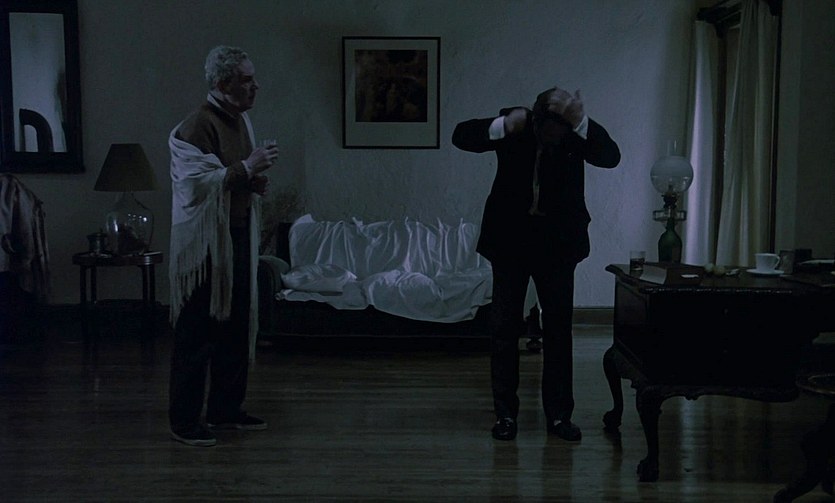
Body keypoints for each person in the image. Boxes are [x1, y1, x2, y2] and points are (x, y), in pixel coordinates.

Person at [452, 86, 620, 441]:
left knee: (558, 331)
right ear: (536, 115)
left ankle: (559, 417)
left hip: (558, 247)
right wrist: (502, 125)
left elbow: (610, 156)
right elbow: (461, 136)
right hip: (510, 243)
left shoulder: (575, 134)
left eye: (564, 121)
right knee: (504, 331)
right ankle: (505, 416)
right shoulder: (516, 127)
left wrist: (581, 121)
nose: (554, 132)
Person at [167, 45, 278, 446]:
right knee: (198, 331)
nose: (255, 86)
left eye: (253, 78)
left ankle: (225, 409)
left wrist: (251, 180)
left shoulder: (240, 119)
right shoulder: (198, 124)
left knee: (236, 324)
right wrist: (248, 168)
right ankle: (184, 421)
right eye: (247, 80)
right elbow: (194, 186)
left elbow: (227, 177)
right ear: (222, 83)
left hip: (237, 235)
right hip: (205, 246)